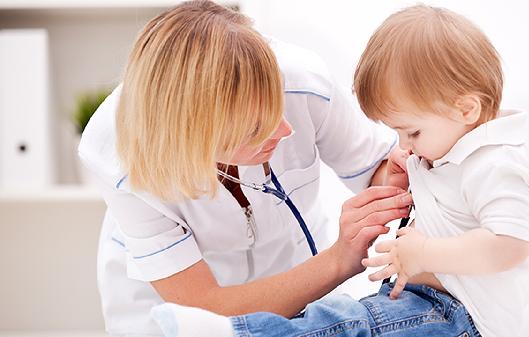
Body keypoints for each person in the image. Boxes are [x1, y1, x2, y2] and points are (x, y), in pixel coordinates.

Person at [150, 5, 529, 337]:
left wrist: (423, 252)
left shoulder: (494, 164)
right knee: (338, 319)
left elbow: (510, 245)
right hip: (420, 301)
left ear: (466, 109)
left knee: (347, 327)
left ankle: (233, 333)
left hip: (460, 318)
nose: (403, 146)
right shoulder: (450, 152)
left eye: (412, 131)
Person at [78, 1, 415, 336]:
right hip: (177, 301)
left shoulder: (302, 81)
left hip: (293, 268)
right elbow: (204, 307)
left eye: (280, 109)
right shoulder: (115, 153)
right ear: (193, 133)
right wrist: (337, 261)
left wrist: (393, 176)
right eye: (256, 129)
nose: (286, 131)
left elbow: (374, 166)